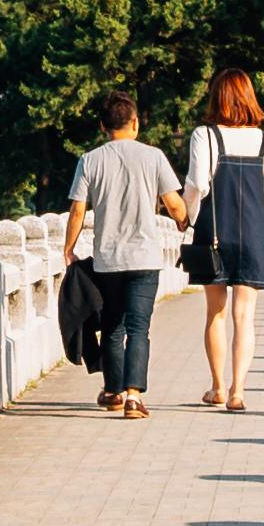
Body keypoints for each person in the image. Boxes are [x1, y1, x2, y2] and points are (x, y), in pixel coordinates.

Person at [65, 93, 179, 417]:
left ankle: (113, 391)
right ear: (135, 123)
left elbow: (77, 210)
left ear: (103, 126)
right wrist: (184, 220)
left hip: (108, 260)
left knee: (113, 326)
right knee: (138, 328)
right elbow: (173, 203)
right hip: (145, 259)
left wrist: (68, 249)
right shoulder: (154, 157)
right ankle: (133, 397)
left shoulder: (89, 160)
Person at [177, 70, 264, 411]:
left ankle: (217, 387)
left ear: (216, 97)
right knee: (244, 315)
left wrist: (187, 217)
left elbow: (197, 185)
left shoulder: (203, 135)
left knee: (215, 313)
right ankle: (239, 391)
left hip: (215, 233)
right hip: (251, 232)